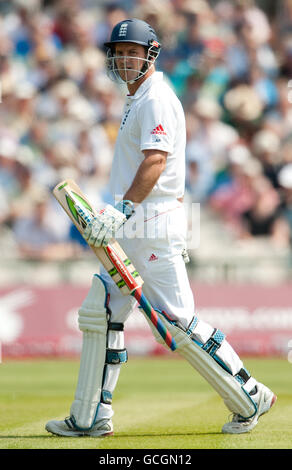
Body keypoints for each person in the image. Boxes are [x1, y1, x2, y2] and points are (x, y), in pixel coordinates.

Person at [45, 18, 276, 437]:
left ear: (151, 53)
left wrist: (121, 210)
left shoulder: (155, 98)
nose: (124, 58)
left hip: (151, 224)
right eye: (118, 52)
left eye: (133, 51)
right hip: (134, 224)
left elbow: (156, 160)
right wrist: (119, 214)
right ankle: (91, 415)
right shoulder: (137, 98)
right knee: (102, 311)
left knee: (178, 321)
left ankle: (249, 394)